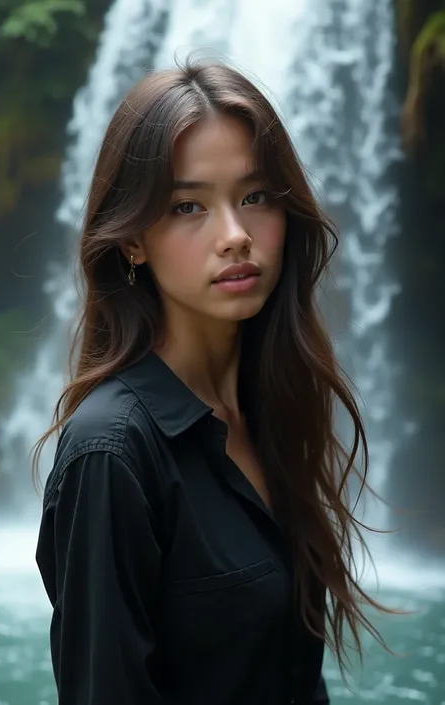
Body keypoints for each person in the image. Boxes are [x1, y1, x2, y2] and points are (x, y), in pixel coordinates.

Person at [35, 59, 389, 705]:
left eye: (255, 198)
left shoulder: (269, 409)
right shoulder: (111, 453)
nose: (235, 237)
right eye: (187, 205)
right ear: (133, 240)